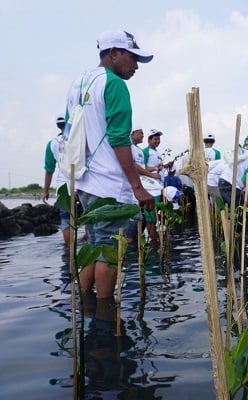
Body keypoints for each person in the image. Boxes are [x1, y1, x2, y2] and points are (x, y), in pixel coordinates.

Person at [65, 29, 155, 301]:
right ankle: (105, 312)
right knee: (109, 249)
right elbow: (118, 138)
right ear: (113, 53)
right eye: (132, 57)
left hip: (84, 180)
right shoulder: (114, 83)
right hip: (109, 183)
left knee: (94, 245)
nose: (136, 66)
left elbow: (71, 131)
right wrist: (137, 186)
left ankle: (86, 306)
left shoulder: (79, 82)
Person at [126, 125, 161, 244]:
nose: (142, 135)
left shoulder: (138, 150)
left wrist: (154, 169)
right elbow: (133, 166)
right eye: (140, 133)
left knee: (141, 222)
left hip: (143, 187)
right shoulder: (129, 147)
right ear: (133, 134)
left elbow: (142, 167)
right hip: (133, 189)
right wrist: (151, 175)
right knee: (132, 225)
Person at [42, 113, 70, 245]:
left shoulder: (52, 144)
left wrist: (45, 191)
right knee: (88, 218)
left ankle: (68, 251)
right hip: (82, 185)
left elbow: (49, 170)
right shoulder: (78, 138)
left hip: (62, 186)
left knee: (66, 219)